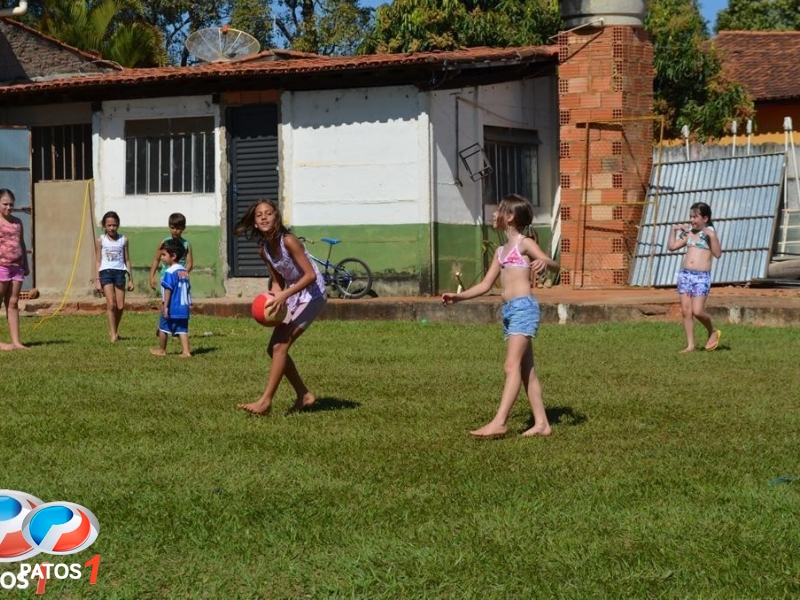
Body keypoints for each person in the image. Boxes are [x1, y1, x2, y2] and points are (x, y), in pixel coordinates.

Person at [442, 194, 559, 438]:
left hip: (523, 308)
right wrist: (459, 297)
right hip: (509, 311)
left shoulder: (524, 243)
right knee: (526, 370)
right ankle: (542, 424)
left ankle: (500, 422)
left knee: (511, 366)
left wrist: (545, 263)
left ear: (510, 217)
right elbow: (485, 285)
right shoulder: (500, 251)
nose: (494, 214)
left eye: (498, 210)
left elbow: (552, 263)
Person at [233, 199, 327, 416]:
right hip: (293, 295)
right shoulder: (264, 250)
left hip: (313, 294)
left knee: (280, 347)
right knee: (273, 348)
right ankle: (304, 395)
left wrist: (284, 295)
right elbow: (278, 282)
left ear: (276, 216)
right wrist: (271, 301)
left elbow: (310, 275)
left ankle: (265, 402)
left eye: (268, 213)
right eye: (259, 215)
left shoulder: (289, 241)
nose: (264, 217)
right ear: (255, 223)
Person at [667, 201, 722, 353]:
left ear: (705, 218)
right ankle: (690, 345)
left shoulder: (709, 234)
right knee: (686, 311)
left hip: (701, 277)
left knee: (697, 311)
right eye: (690, 216)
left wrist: (713, 236)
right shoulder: (689, 233)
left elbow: (717, 254)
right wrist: (673, 230)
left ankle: (712, 331)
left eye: (695, 217)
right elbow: (672, 247)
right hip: (685, 275)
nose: (692, 220)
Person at [94, 211, 134, 343]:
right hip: (106, 272)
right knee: (111, 304)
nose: (112, 228)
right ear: (104, 226)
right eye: (109, 225)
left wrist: (131, 279)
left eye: (114, 225)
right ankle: (113, 335)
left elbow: (127, 260)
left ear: (118, 225)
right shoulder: (101, 240)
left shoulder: (123, 240)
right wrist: (97, 280)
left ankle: (114, 329)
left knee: (120, 306)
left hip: (119, 272)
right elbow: (98, 261)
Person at [150, 239, 192, 357]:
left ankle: (162, 350)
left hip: (172, 306)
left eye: (164, 255)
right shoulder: (184, 272)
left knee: (163, 328)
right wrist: (189, 303)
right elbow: (188, 289)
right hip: (183, 307)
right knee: (182, 329)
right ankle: (186, 351)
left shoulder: (169, 272)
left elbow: (168, 290)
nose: (161, 258)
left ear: (173, 256)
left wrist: (166, 306)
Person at [0, 188, 30, 350]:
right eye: (5, 204)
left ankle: (17, 342)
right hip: (1, 267)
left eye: (11, 204)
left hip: (17, 267)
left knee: (12, 303)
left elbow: (22, 243)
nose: (8, 207)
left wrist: (25, 264)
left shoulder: (17, 222)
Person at [149, 212, 193, 292]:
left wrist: (183, 274)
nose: (175, 230)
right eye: (172, 228)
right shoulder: (164, 243)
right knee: (166, 298)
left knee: (179, 298)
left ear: (183, 228)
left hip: (180, 278)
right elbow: (156, 260)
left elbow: (189, 263)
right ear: (169, 227)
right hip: (166, 277)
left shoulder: (186, 244)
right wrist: (151, 276)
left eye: (178, 228)